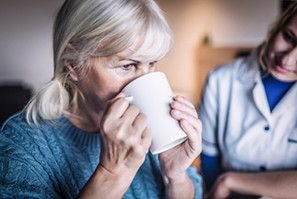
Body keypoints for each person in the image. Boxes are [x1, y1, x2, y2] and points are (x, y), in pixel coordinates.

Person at [0, 0, 203, 198]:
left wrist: (175, 177)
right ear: (73, 63)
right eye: (127, 66)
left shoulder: (154, 125)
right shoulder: (23, 144)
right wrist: (112, 173)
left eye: (151, 63)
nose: (145, 79)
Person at [198, 1, 297, 198]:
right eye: (288, 37)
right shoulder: (220, 80)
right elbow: (208, 157)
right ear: (279, 25)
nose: (287, 60)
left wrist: (228, 181)